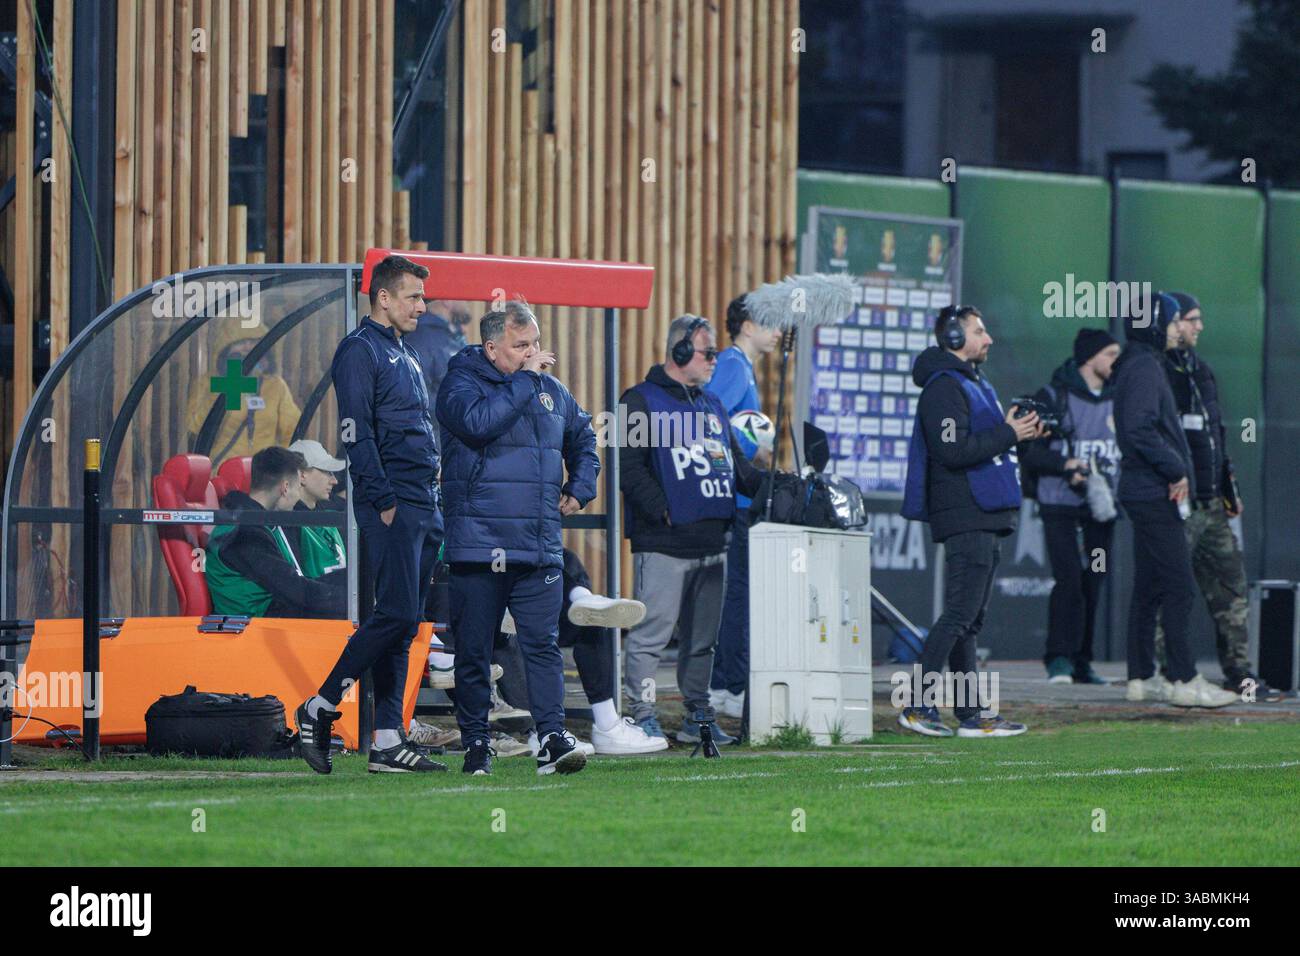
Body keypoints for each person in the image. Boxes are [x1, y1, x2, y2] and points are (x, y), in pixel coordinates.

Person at [296, 254, 449, 775]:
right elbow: (354, 432)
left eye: (422, 298)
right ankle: (319, 707)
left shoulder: (403, 352)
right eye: (413, 296)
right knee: (398, 615)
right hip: (394, 502)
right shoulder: (358, 350)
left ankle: (387, 741)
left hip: (423, 501)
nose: (421, 307)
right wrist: (382, 500)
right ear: (383, 297)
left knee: (402, 623)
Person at [436, 300, 600, 777]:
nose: (533, 354)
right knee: (474, 650)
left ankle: (550, 737)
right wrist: (527, 378)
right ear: (491, 348)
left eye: (535, 345)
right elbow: (480, 425)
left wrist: (581, 486)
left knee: (543, 646)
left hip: (538, 543)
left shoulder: (552, 391)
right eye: (520, 346)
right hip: (478, 544)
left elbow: (584, 438)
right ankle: (476, 746)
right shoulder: (460, 384)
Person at [619, 315, 766, 746]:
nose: (714, 361)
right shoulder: (639, 401)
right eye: (707, 352)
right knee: (651, 636)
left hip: (712, 541)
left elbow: (739, 469)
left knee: (703, 642)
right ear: (680, 351)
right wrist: (665, 511)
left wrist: (775, 485)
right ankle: (641, 713)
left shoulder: (713, 406)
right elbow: (629, 470)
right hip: (665, 542)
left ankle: (697, 716)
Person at [898, 304, 1039, 738]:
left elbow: (983, 447)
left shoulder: (974, 384)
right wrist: (1007, 433)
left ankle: (972, 714)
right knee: (959, 613)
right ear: (955, 340)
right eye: (979, 331)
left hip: (984, 511)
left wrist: (1020, 433)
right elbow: (951, 451)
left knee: (968, 619)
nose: (988, 339)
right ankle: (918, 705)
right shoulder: (944, 388)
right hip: (965, 512)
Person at [1113, 292, 1237, 708]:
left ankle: (1141, 676)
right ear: (1152, 324)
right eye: (1169, 322)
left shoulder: (1137, 364)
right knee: (1179, 586)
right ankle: (1184, 679)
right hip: (1152, 491)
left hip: (1144, 489)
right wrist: (1176, 469)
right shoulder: (1146, 366)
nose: (1176, 329)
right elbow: (1139, 429)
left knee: (1149, 586)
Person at [1154, 291, 1280, 700]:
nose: (1198, 327)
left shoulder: (1202, 372)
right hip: (1175, 501)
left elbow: (1216, 437)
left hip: (1211, 502)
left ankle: (1239, 672)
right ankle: (1165, 674)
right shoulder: (1155, 370)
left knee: (1231, 586)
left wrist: (1229, 489)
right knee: (1171, 589)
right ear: (1170, 323)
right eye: (1190, 319)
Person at [1017, 329, 1121, 685]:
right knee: (1069, 581)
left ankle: (1082, 661)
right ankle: (1058, 658)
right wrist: (1066, 466)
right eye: (1110, 354)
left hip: (1101, 510)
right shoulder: (1052, 397)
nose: (1115, 361)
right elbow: (1029, 451)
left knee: (1094, 582)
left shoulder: (1119, 397)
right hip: (1059, 505)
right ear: (1090, 358)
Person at [500, 548, 665, 755]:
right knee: (509, 634)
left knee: (592, 620)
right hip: (495, 595)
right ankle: (540, 732)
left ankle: (608, 726)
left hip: (530, 594)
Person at [704, 295, 781, 719]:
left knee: (737, 593)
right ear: (747, 325)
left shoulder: (741, 368)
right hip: (735, 500)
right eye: (769, 322)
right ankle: (726, 685)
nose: (777, 330)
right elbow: (710, 421)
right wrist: (741, 462)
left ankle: (726, 682)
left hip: (740, 495)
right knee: (736, 595)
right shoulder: (733, 366)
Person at [206, 446, 347, 618]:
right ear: (285, 488)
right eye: (297, 489)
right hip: (259, 622)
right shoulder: (245, 533)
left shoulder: (262, 521)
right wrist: (355, 603)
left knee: (354, 579)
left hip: (274, 607)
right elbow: (294, 589)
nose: (297, 498)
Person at [185, 320, 301, 467]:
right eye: (240, 342)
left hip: (264, 476)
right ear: (226, 348)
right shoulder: (208, 383)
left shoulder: (275, 386)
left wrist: (281, 465)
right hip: (223, 475)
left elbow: (292, 429)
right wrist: (228, 384)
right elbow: (195, 427)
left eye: (253, 341)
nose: (247, 347)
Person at [287, 439, 347, 578]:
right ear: (301, 475)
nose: (334, 481)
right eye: (326, 472)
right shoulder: (289, 525)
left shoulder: (327, 506)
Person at [402, 299, 473, 398]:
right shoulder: (421, 338)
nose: (468, 301)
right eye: (462, 296)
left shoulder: (454, 334)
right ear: (447, 301)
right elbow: (415, 393)